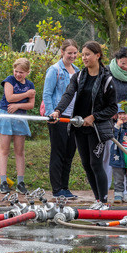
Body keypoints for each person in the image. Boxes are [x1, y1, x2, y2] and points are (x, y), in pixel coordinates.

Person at [49, 41, 118, 210]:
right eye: (83, 54)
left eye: (87, 54)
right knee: (86, 164)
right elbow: (68, 94)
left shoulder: (107, 79)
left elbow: (112, 108)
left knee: (96, 164)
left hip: (97, 129)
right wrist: (57, 111)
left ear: (98, 55)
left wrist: (94, 117)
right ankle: (97, 200)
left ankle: (104, 201)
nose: (84, 57)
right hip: (79, 127)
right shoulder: (79, 76)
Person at [0, 57, 36, 194]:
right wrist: (26, 94)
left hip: (20, 117)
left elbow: (31, 104)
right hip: (5, 115)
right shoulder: (9, 80)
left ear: (27, 72)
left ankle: (20, 182)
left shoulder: (30, 85)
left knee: (19, 151)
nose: (18, 74)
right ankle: (3, 181)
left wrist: (18, 106)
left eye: (21, 72)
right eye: (16, 71)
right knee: (4, 149)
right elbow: (9, 97)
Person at [42, 40, 80, 198]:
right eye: (69, 52)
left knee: (69, 153)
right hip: (59, 117)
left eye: (74, 53)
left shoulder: (78, 71)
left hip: (74, 118)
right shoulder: (55, 70)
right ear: (62, 53)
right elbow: (47, 93)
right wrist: (52, 114)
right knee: (58, 152)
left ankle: (65, 187)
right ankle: (57, 189)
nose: (72, 56)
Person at [104, 46, 127, 193]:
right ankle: (105, 187)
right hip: (110, 118)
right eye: (123, 63)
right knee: (109, 153)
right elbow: (102, 93)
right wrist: (110, 110)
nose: (126, 67)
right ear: (117, 60)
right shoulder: (107, 72)